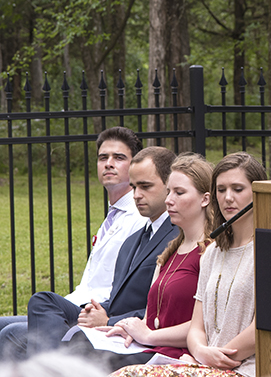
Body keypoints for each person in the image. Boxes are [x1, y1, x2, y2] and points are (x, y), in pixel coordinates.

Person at [112, 152, 267, 377]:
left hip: (244, 368)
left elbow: (263, 327)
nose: (228, 198)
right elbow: (197, 326)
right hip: (202, 363)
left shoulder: (268, 251)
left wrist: (214, 356)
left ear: (257, 192)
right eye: (221, 190)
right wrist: (201, 352)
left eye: (238, 189)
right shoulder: (213, 252)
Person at [0, 126, 146, 361]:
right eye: (103, 157)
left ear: (135, 166)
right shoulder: (114, 215)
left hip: (92, 313)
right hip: (71, 304)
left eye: (119, 158)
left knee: (12, 334)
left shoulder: (139, 217)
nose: (109, 163)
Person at [26, 146, 180, 355]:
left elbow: (165, 309)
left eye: (145, 186)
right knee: (42, 301)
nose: (136, 195)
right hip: (106, 316)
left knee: (13, 336)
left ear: (170, 186)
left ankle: (55, 363)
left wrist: (109, 320)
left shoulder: (177, 236)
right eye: (134, 187)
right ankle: (55, 361)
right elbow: (119, 297)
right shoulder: (134, 239)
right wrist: (97, 310)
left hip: (132, 333)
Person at [90, 152, 213, 371]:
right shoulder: (168, 252)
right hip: (150, 347)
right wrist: (129, 328)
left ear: (205, 198)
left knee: (93, 363)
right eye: (168, 192)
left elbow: (207, 325)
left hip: (179, 355)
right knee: (78, 347)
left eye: (179, 192)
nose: (169, 200)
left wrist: (149, 335)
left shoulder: (210, 252)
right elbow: (151, 316)